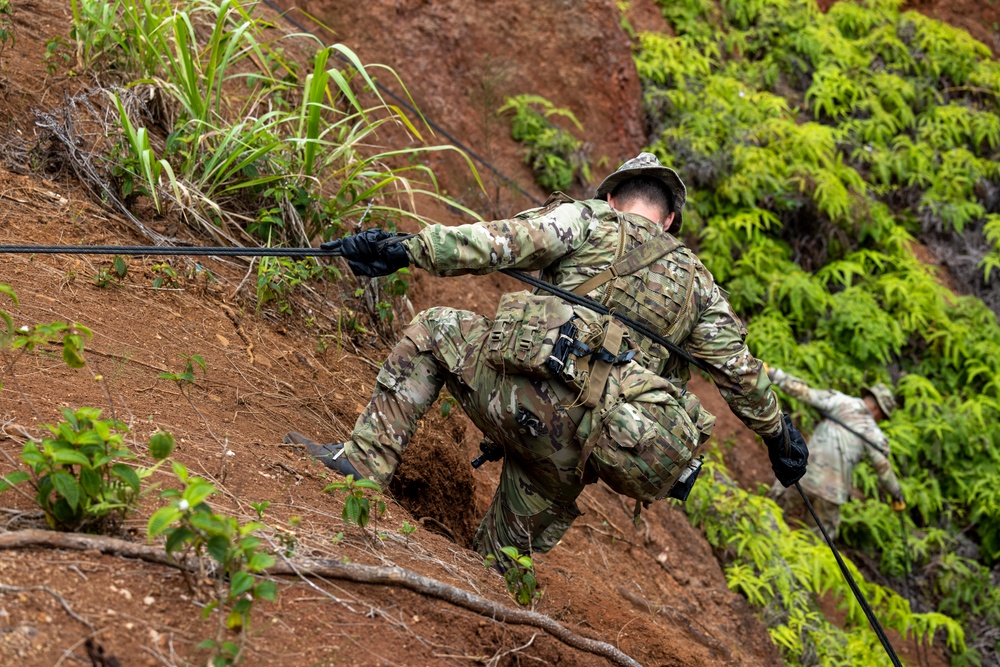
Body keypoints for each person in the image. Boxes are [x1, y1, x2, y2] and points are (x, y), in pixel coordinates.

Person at [287, 153, 808, 563]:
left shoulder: (587, 219)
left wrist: (407, 249)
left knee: (434, 328)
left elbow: (498, 243)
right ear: (670, 219)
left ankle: (361, 464)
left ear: (610, 194)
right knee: (493, 574)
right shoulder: (700, 288)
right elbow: (742, 375)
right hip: (578, 451)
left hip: (515, 394)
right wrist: (781, 440)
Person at [765, 365, 905, 537]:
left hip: (802, 475)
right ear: (878, 410)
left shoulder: (840, 401)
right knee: (817, 543)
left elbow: (804, 393)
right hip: (832, 493)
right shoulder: (874, 434)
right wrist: (896, 495)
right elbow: (884, 470)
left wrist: (773, 374)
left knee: (770, 514)